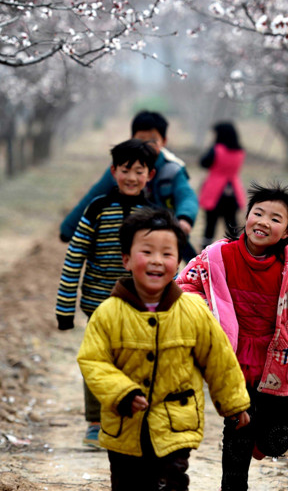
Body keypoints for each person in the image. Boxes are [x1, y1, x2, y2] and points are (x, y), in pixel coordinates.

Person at [77, 208, 251, 491]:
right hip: (124, 427)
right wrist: (122, 392)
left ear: (179, 261)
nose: (157, 261)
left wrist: (234, 404)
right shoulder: (108, 313)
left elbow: (218, 359)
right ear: (126, 260)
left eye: (167, 254)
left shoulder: (193, 311)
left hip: (176, 425)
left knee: (172, 482)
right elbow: (93, 361)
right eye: (147, 251)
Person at [176, 182, 288, 491]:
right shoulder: (216, 257)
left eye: (275, 218)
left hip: (276, 359)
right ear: (246, 217)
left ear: (287, 231)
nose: (263, 222)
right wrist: (208, 317)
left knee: (276, 442)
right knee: (237, 433)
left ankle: (262, 441)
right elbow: (185, 285)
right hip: (231, 357)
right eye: (257, 213)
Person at [56, 138, 159, 448]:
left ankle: (133, 418)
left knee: (138, 361)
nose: (131, 177)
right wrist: (65, 309)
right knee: (98, 361)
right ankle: (96, 421)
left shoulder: (153, 213)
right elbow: (74, 257)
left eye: (138, 171)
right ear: (113, 171)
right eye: (125, 170)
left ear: (149, 175)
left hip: (141, 305)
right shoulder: (98, 209)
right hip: (98, 303)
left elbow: (163, 262)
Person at [59, 110, 199, 260]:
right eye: (141, 139)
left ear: (164, 141)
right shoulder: (122, 168)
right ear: (132, 138)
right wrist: (69, 228)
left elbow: (186, 196)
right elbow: (95, 195)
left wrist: (184, 218)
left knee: (187, 259)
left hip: (164, 228)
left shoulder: (172, 169)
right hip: (126, 229)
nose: (147, 145)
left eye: (153, 140)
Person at [198, 121, 246, 250]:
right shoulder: (240, 151)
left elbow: (203, 163)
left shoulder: (217, 150)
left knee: (210, 224)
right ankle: (237, 249)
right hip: (233, 189)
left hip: (215, 189)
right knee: (231, 224)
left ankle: (204, 250)